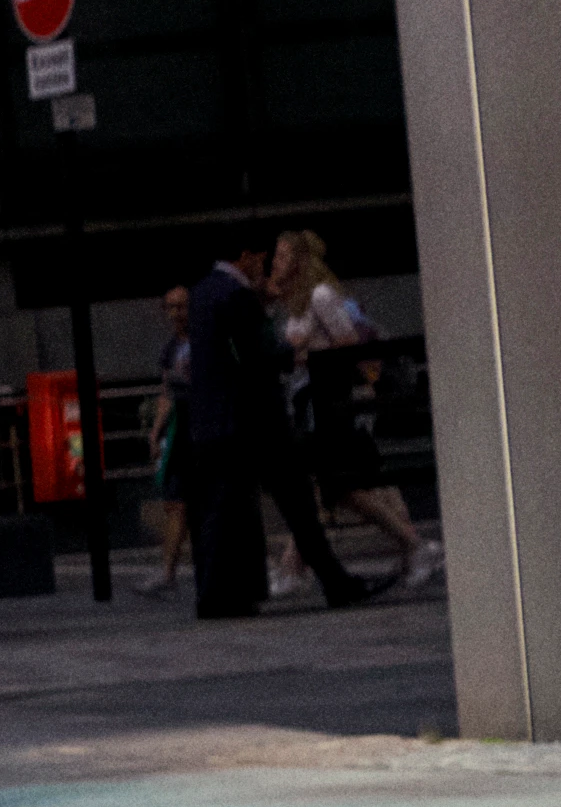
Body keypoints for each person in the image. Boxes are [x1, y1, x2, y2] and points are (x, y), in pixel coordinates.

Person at [179, 245, 379, 618]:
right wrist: (291, 350)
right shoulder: (235, 294)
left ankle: (219, 594)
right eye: (261, 259)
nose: (264, 266)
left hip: (216, 424)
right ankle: (336, 583)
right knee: (297, 502)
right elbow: (259, 354)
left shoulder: (204, 290)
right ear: (245, 256)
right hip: (255, 422)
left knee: (224, 511)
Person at [275, 232, 437, 591]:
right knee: (332, 487)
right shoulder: (298, 303)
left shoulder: (320, 295)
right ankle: (293, 567)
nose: (276, 263)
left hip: (330, 403)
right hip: (311, 404)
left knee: (335, 486)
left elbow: (346, 343)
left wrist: (304, 354)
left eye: (283, 256)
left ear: (300, 262)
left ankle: (414, 545)